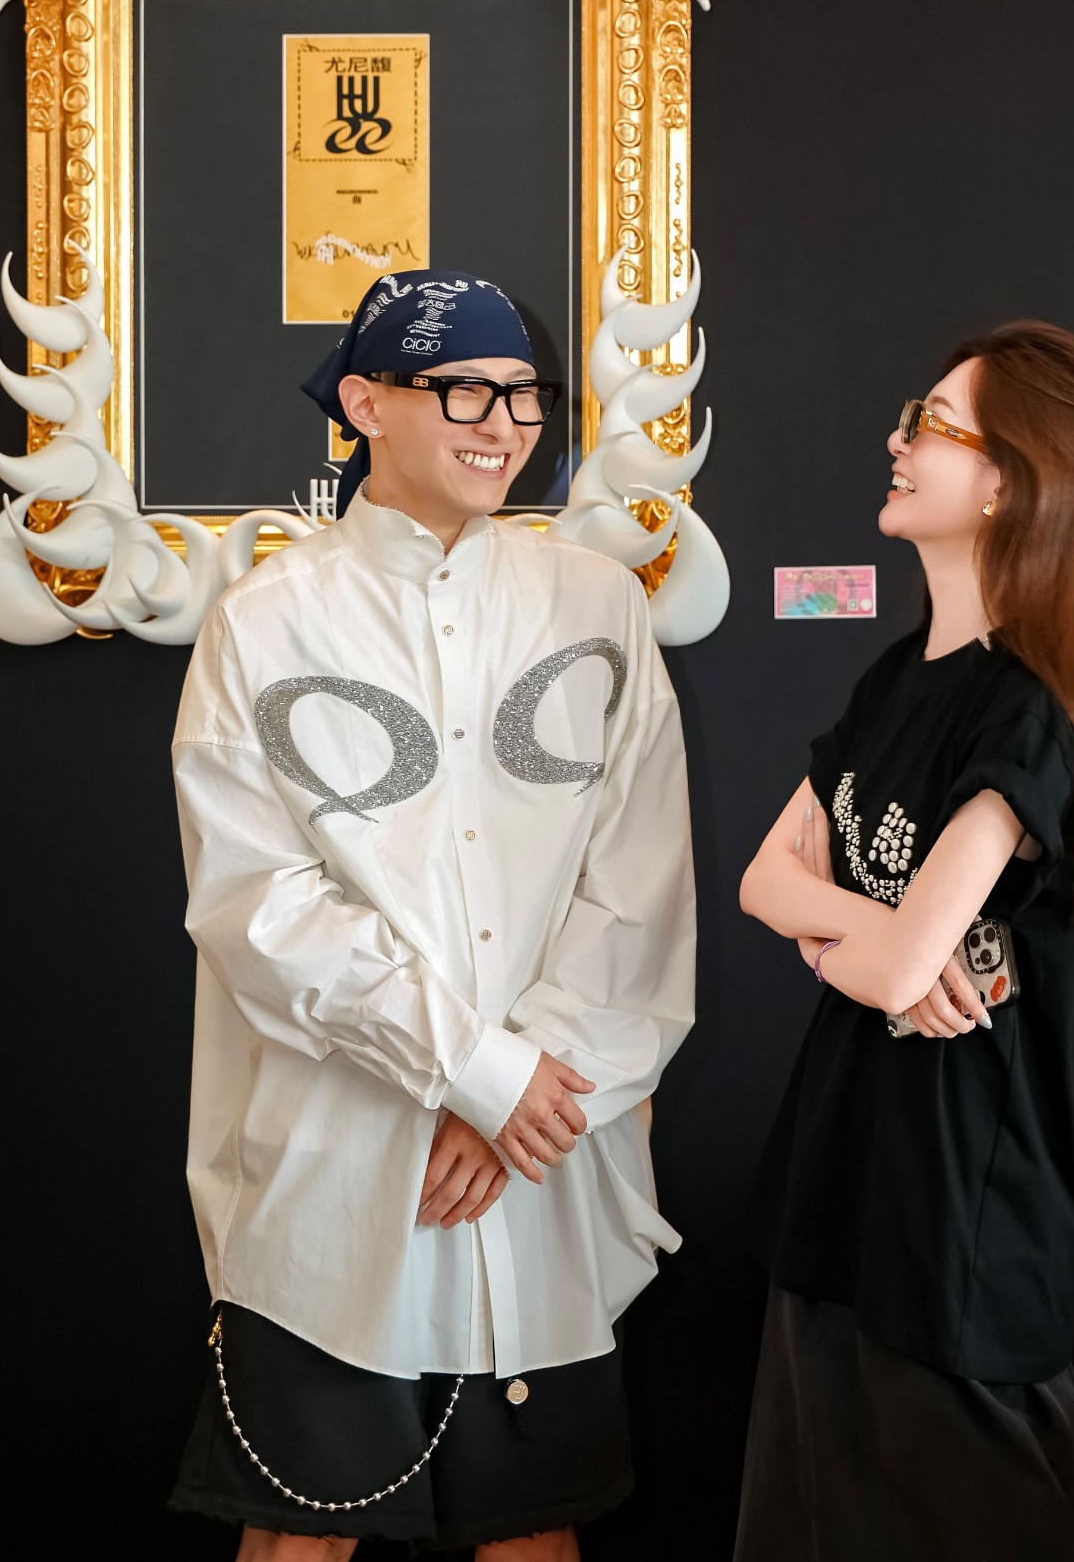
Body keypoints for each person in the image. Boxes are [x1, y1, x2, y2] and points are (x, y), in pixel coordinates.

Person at [168, 270, 696, 1561]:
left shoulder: (598, 607)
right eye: (462, 388)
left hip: (544, 1160)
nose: (502, 422)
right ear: (364, 404)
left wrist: (522, 1093)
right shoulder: (264, 622)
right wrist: (474, 1070)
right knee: (299, 1535)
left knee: (533, 1532)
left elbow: (638, 885)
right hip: (339, 1164)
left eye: (522, 393)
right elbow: (257, 903)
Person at [734, 322, 1074, 1562]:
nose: (896, 441)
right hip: (840, 1192)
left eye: (929, 423)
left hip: (959, 1233)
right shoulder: (891, 682)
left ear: (1009, 480)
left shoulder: (1029, 704)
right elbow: (762, 880)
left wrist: (847, 942)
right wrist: (868, 942)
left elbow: (880, 959)